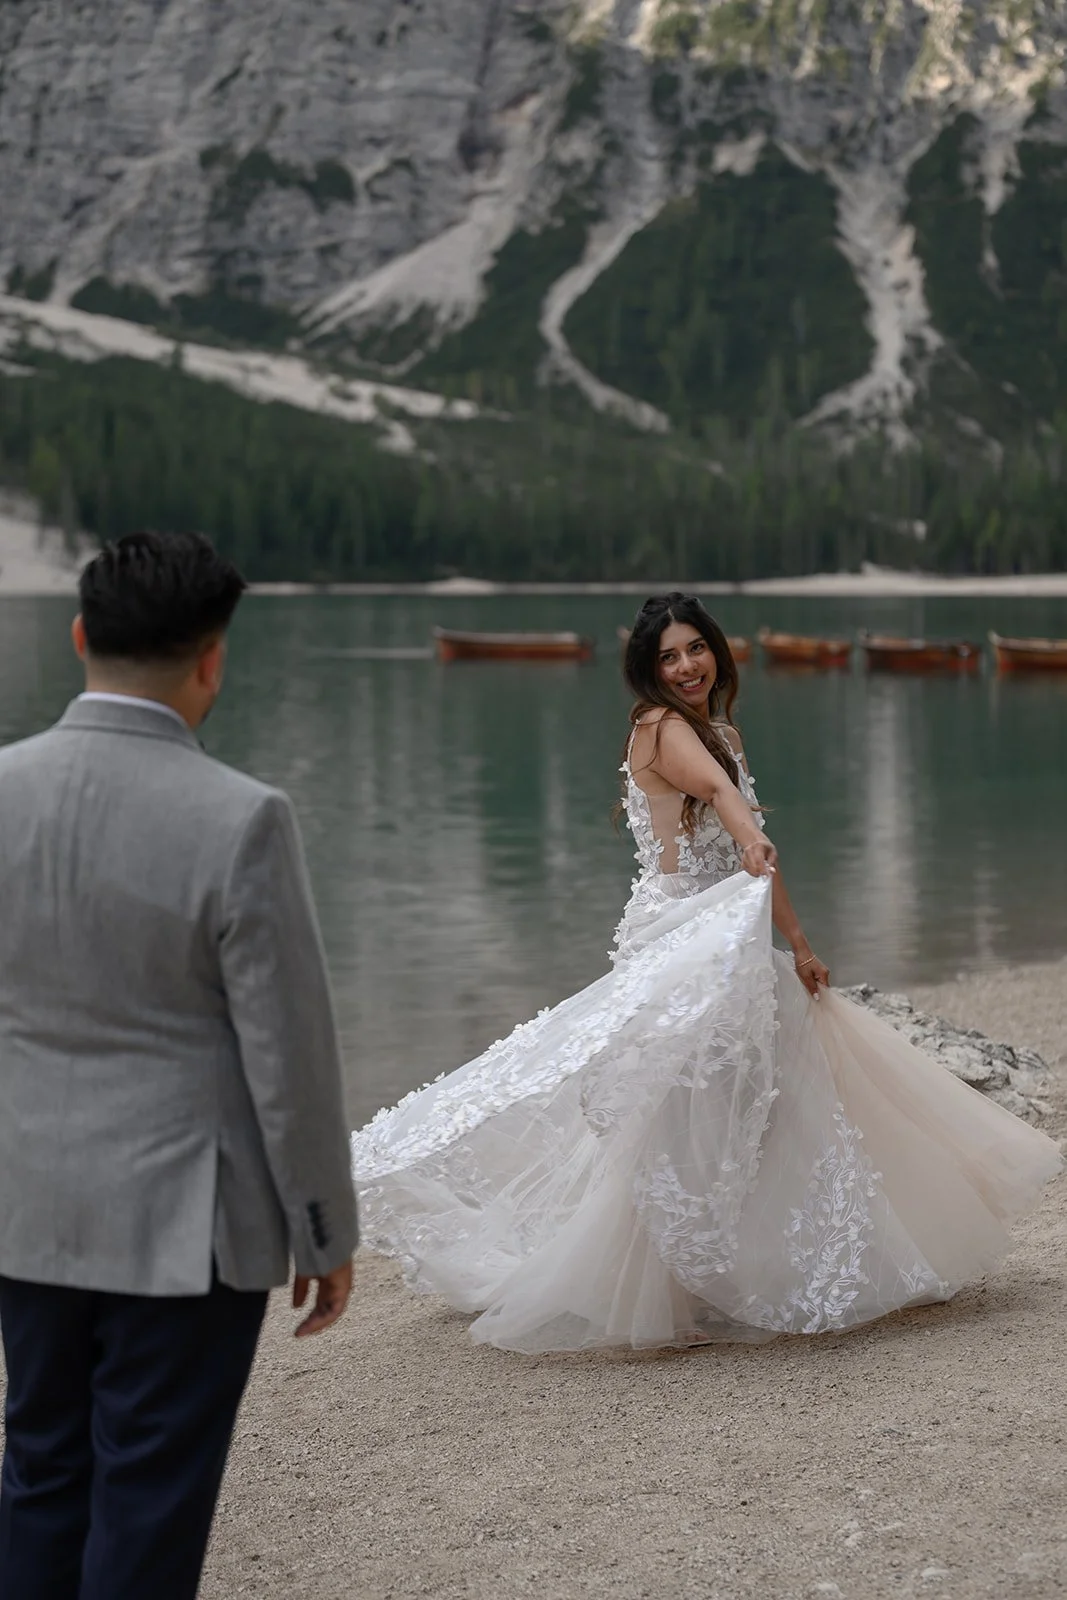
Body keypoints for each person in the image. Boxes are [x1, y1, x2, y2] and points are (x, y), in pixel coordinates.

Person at [351, 591, 1062, 1354]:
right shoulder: (657, 729)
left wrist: (798, 940)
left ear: (715, 651)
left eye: (694, 649)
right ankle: (668, 1293)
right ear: (647, 670)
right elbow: (723, 801)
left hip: (735, 937)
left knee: (760, 1105)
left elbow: (753, 842)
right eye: (667, 656)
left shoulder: (720, 731)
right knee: (679, 1119)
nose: (685, 665)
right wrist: (749, 846)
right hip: (680, 940)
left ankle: (773, 1265)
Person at [0, 531, 358, 1599]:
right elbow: (288, 1055)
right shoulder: (242, 817)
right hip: (182, 1230)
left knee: (38, 1472)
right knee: (148, 1500)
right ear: (212, 657)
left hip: (23, 1202)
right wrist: (323, 1226)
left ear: (78, 638)